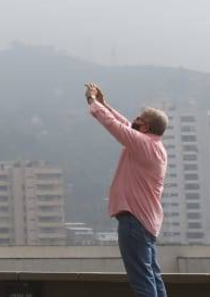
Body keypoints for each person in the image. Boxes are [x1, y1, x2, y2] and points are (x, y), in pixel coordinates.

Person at [85, 83, 169, 297]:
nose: (135, 119)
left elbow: (114, 125)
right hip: (146, 222)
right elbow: (124, 124)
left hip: (134, 220)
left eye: (140, 118)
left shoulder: (143, 144)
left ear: (146, 127)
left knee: (142, 280)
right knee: (152, 276)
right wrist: (104, 103)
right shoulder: (154, 146)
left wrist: (92, 101)